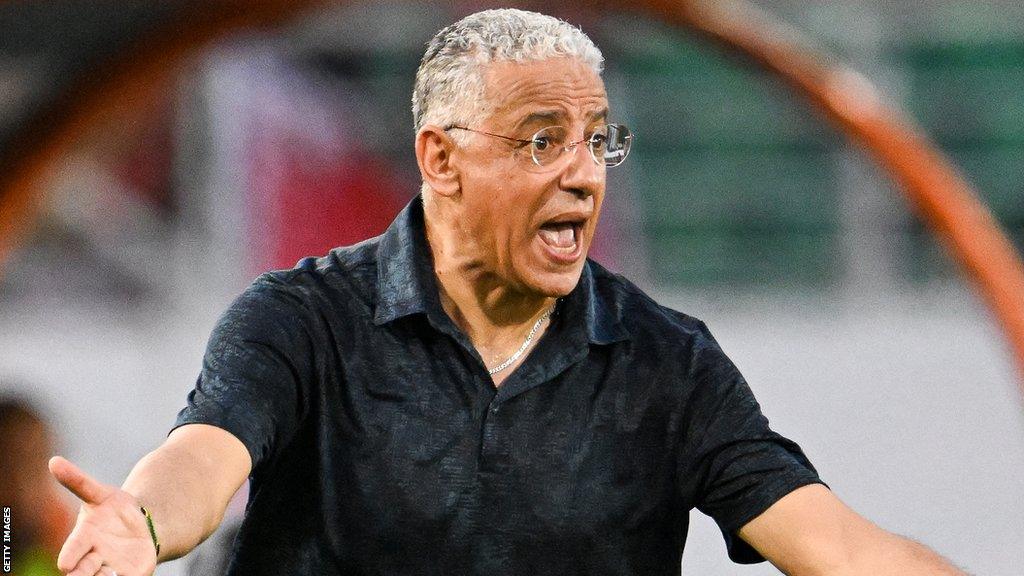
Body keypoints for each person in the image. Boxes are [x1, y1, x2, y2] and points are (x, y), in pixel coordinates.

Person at [48, 9, 968, 576]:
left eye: (598, 139)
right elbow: (203, 462)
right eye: (540, 139)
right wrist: (141, 522)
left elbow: (843, 552)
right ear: (440, 159)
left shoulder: (668, 364)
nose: (583, 174)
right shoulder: (302, 319)